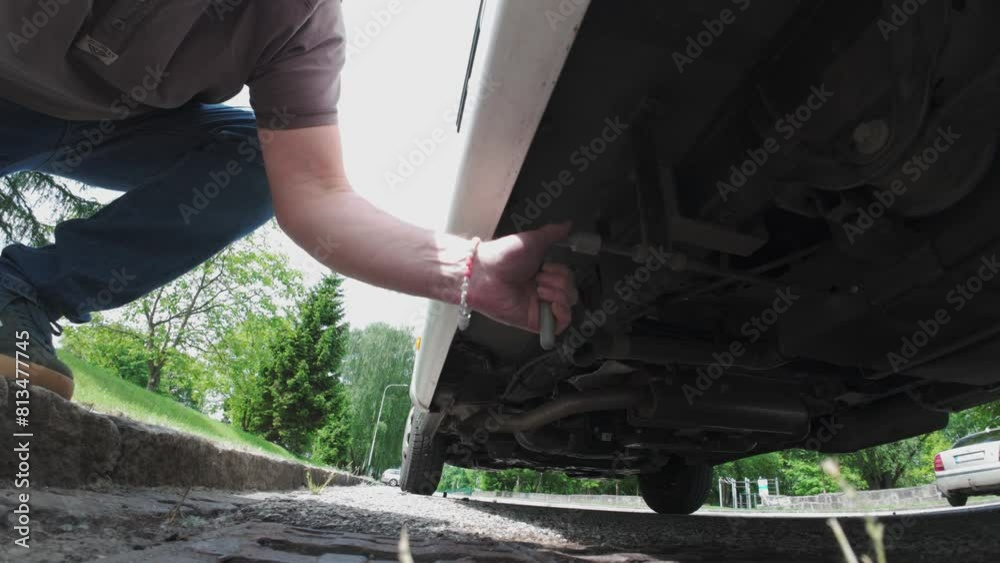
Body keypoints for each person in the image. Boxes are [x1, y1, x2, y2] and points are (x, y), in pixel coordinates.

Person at [0, 1, 577, 400]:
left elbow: (315, 194)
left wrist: (469, 271)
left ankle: (22, 290)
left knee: (257, 163)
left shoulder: (299, 19)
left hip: (114, 128)